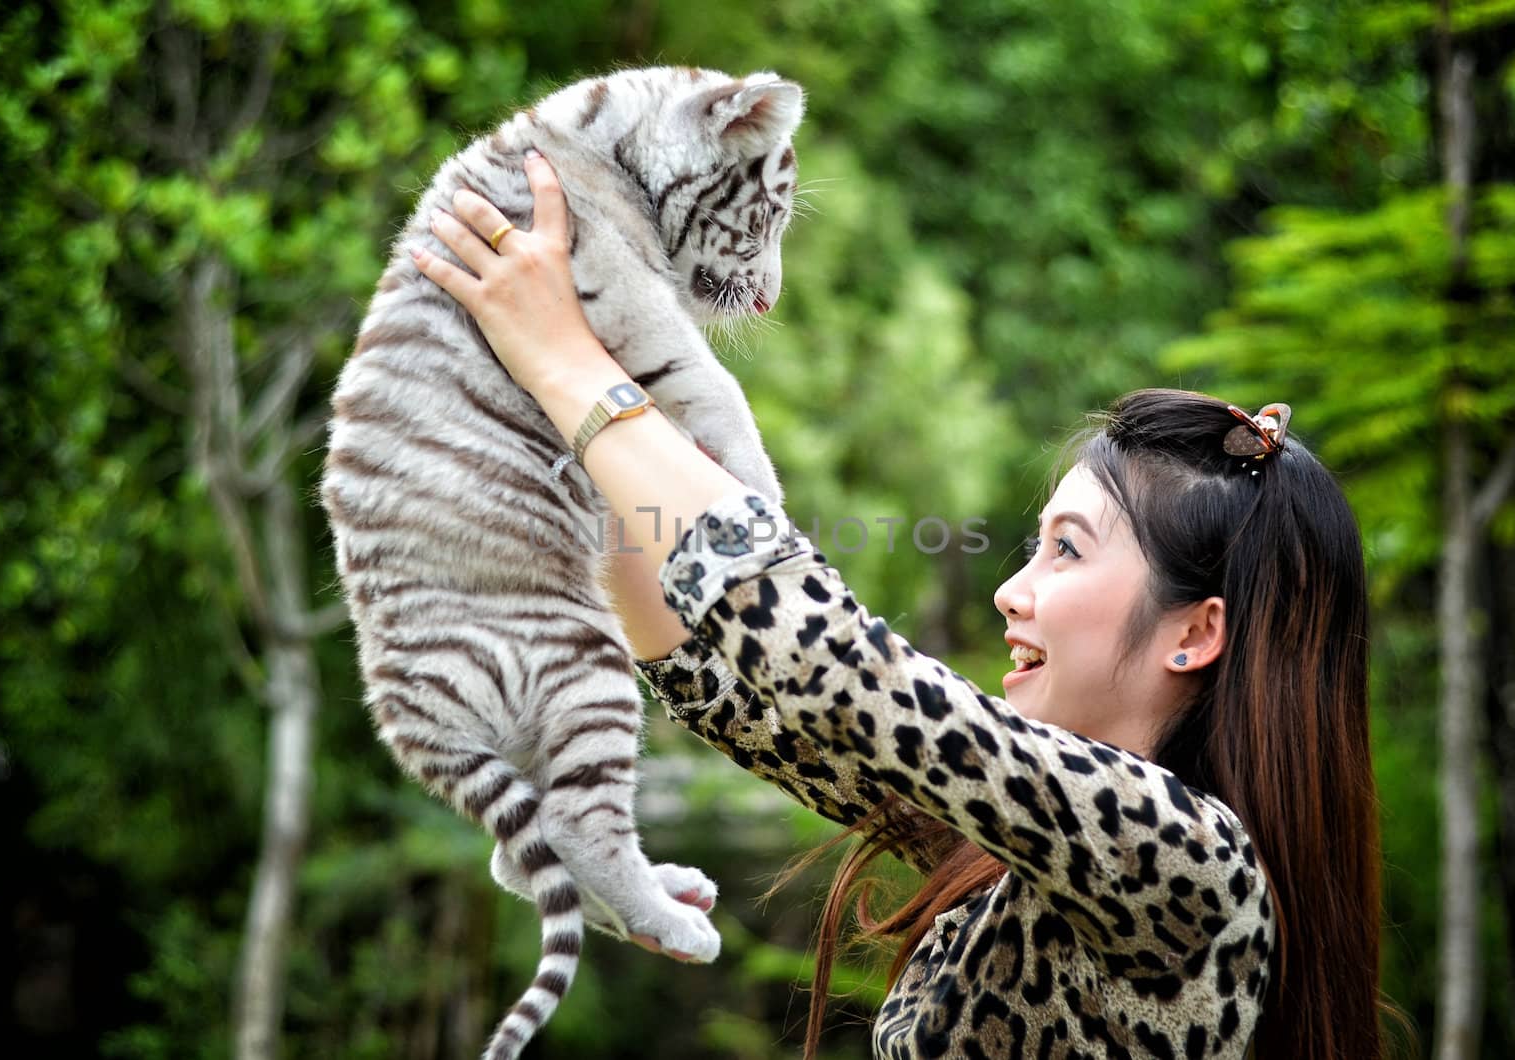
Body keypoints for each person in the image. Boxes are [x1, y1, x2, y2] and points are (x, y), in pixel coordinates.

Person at [410, 151, 1396, 1059]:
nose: (1015, 592)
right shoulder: (1024, 847)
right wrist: (591, 447)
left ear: (1196, 631)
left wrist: (569, 366)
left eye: (1066, 550)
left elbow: (845, 680)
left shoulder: (1194, 865)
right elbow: (750, 707)